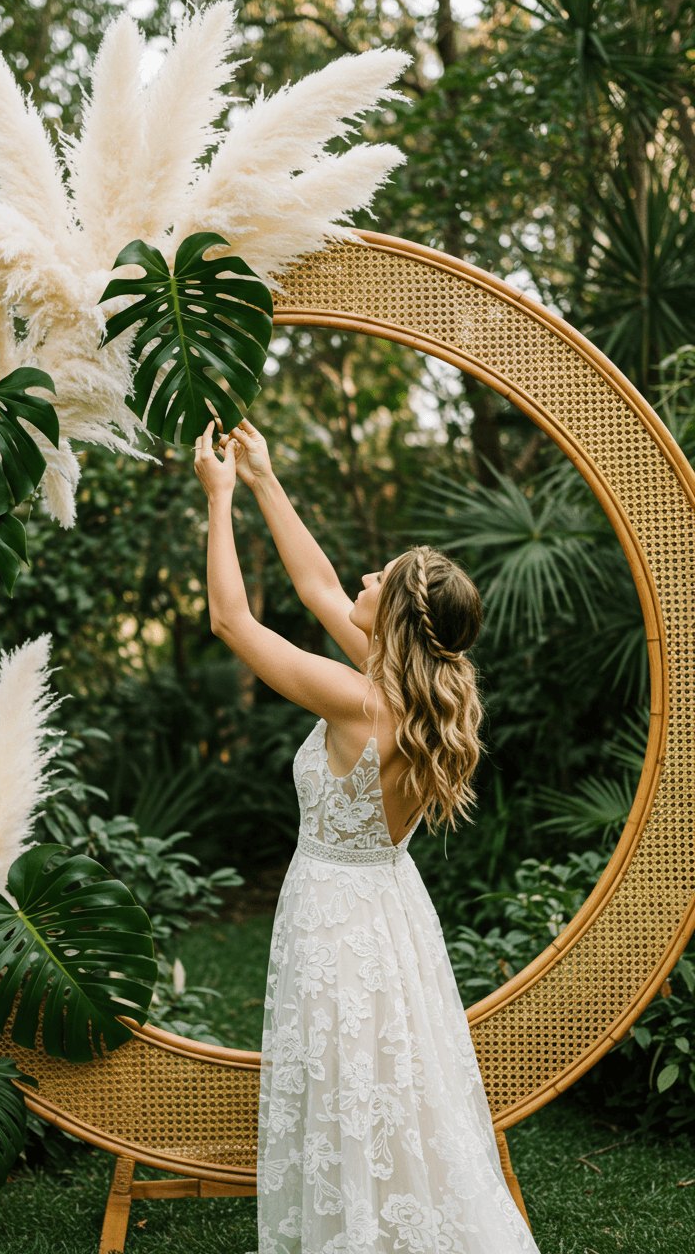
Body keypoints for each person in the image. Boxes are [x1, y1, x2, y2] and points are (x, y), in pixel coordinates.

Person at [193, 418, 539, 1254]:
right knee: (389, 1088)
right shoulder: (419, 685)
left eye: (381, 577)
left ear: (399, 616)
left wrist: (222, 498)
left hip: (339, 915)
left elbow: (233, 623)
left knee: (350, 1089)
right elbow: (314, 588)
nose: (365, 575)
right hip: (388, 906)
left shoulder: (361, 701)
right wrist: (269, 478)